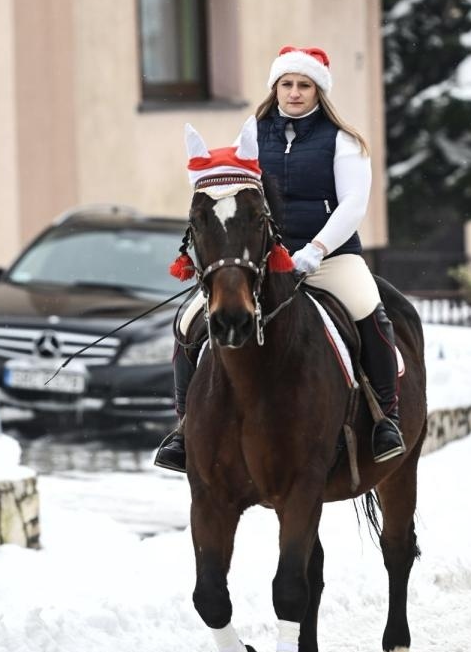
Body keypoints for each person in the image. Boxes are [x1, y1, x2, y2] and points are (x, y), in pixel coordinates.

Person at [155, 45, 406, 472]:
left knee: (368, 308)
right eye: (287, 84)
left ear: (318, 91)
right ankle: (184, 426)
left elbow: (352, 206)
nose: (294, 93)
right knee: (187, 321)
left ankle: (386, 417)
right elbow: (230, 192)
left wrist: (317, 250)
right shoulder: (252, 135)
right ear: (276, 88)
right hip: (266, 260)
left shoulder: (344, 141)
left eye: (303, 85)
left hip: (329, 257)